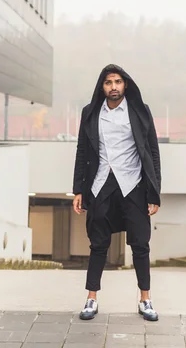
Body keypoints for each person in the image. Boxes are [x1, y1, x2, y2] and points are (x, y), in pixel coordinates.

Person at [72, 64, 162, 322]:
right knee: (98, 244)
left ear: (125, 85)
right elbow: (82, 151)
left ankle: (145, 299)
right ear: (102, 87)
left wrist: (154, 192)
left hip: (133, 184)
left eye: (118, 82)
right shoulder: (90, 113)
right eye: (109, 82)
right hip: (101, 184)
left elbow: (153, 153)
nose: (114, 87)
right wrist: (78, 189)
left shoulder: (140, 111)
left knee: (140, 244)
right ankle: (91, 298)